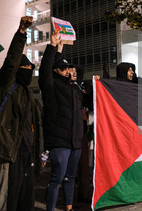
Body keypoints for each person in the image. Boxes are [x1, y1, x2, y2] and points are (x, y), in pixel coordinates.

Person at [0, 16, 43, 211]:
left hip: (26, 152)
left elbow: (36, 125)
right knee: (8, 198)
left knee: (26, 198)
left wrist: (39, 152)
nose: (29, 70)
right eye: (25, 67)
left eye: (31, 68)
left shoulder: (29, 93)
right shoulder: (5, 85)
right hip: (9, 152)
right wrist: (21, 34)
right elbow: (11, 62)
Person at [39, 33, 84, 211]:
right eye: (64, 69)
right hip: (59, 141)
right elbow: (46, 70)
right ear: (56, 71)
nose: (68, 71)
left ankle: (68, 208)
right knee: (57, 178)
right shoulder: (50, 86)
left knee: (70, 177)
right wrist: (52, 46)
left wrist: (60, 49)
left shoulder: (74, 89)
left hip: (75, 141)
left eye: (69, 69)